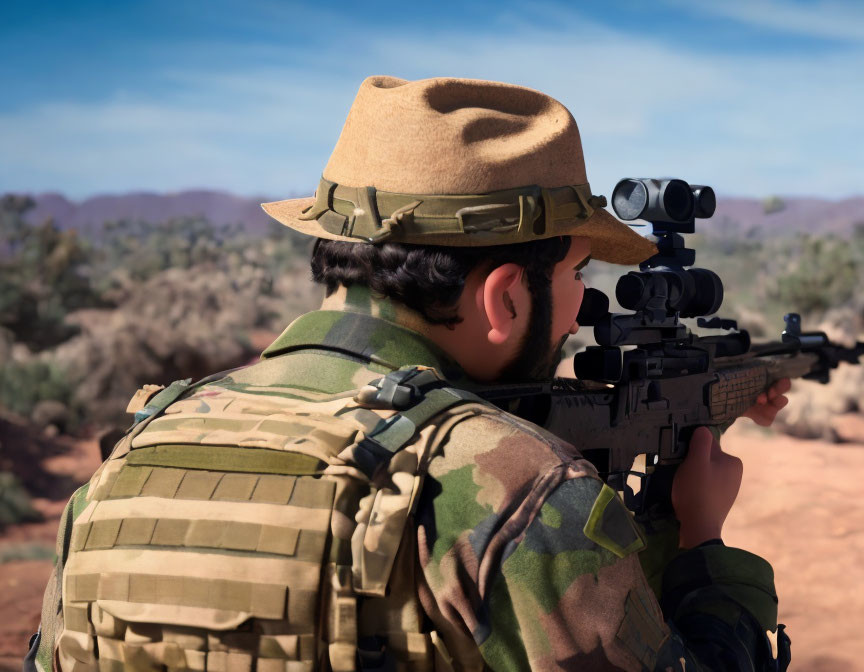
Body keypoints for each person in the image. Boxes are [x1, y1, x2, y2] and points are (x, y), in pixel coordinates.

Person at [29, 76, 792, 671]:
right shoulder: (522, 486)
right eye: (577, 275)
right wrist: (702, 544)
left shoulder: (142, 443)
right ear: (502, 298)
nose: (579, 312)